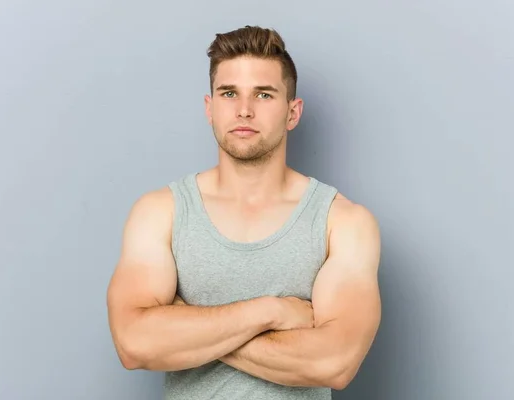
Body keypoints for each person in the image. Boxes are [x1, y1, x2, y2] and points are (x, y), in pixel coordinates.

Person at [106, 25, 381, 400]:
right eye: (229, 93)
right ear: (210, 108)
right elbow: (135, 344)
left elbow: (334, 363)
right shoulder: (161, 212)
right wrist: (270, 312)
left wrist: (190, 328)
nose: (244, 110)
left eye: (264, 94)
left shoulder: (343, 222)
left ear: (292, 112)